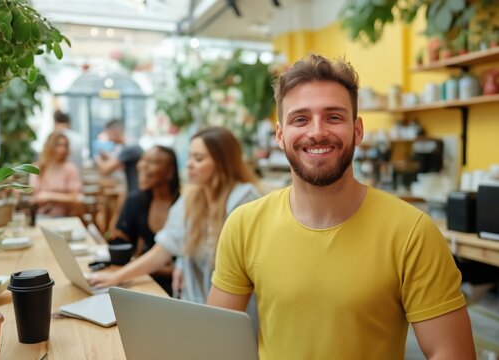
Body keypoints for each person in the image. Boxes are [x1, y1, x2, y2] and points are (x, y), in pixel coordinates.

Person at [207, 55, 476, 359]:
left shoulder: (411, 231)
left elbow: (451, 352)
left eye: (333, 117)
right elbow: (216, 342)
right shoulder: (244, 224)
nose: (317, 131)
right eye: (300, 119)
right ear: (280, 136)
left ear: (357, 130)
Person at [87, 126, 260, 304]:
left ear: (223, 162)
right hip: (198, 306)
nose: (189, 164)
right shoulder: (193, 197)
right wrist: (115, 277)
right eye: (190, 156)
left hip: (233, 313)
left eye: (198, 158)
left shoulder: (244, 199)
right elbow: (163, 249)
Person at [110, 145, 180, 294]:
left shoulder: (183, 206)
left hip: (177, 288)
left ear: (170, 172)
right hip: (143, 283)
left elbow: (186, 267)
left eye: (152, 162)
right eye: (142, 160)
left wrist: (143, 265)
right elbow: (119, 245)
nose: (142, 166)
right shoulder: (135, 201)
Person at [30, 131, 82, 217]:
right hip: (41, 215)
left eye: (65, 146)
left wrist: (50, 196)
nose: (62, 149)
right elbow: (34, 196)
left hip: (65, 217)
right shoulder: (38, 167)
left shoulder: (70, 168)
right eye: (58, 145)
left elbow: (76, 197)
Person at [94, 119, 143, 194]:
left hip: (135, 190)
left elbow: (105, 170)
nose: (108, 139)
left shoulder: (129, 147)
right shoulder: (128, 144)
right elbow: (119, 165)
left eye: (107, 134)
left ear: (115, 132)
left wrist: (97, 158)